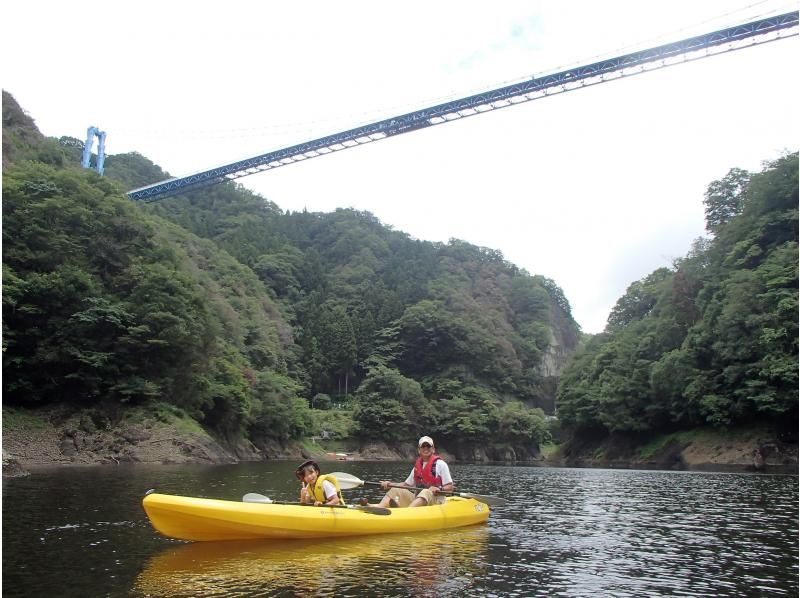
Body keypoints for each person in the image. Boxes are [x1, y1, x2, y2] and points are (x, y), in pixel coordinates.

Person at [376, 436, 454, 508]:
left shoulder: (441, 464)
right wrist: (390, 484)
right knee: (395, 489)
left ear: (433, 449)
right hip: (418, 499)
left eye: (428, 446)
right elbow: (406, 485)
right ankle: (378, 507)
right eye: (423, 446)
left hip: (436, 501)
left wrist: (439, 488)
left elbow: (450, 487)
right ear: (419, 450)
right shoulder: (417, 466)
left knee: (426, 491)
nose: (426, 448)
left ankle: (406, 513)